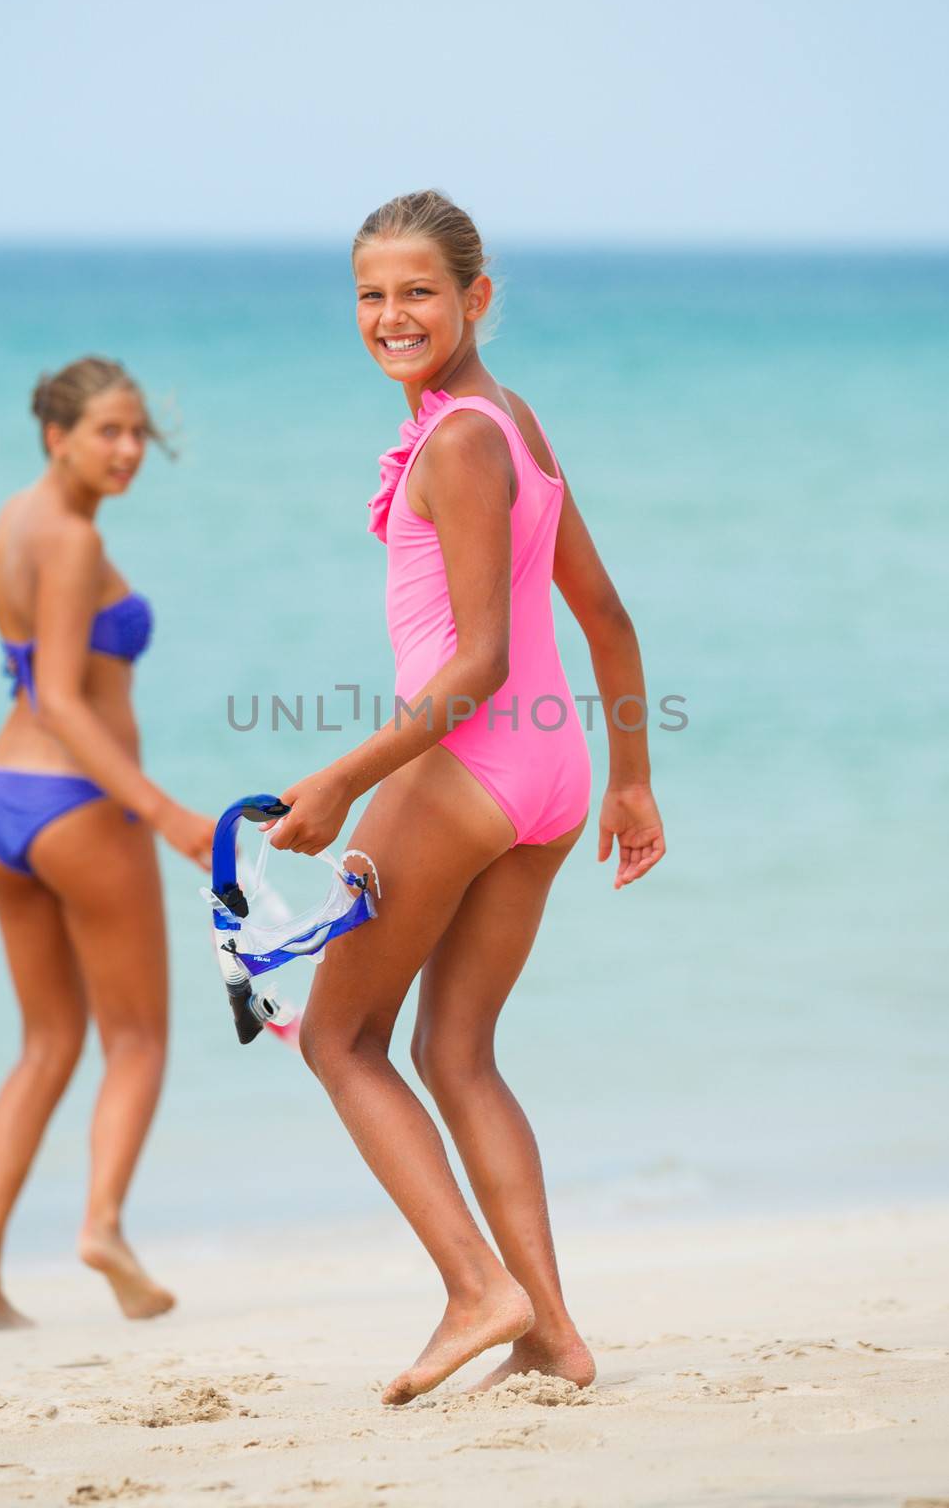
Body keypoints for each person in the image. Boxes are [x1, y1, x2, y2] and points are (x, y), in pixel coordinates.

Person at [265, 191, 666, 1403]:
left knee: (337, 1039)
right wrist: (632, 778)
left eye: (419, 293)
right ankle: (550, 1332)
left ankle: (475, 1289)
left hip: (469, 764)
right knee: (457, 1050)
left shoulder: (456, 441)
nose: (392, 315)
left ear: (475, 298)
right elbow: (603, 613)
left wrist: (340, 776)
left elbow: (481, 658)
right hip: (548, 775)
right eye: (371, 295)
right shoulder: (508, 419)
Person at [0, 356, 214, 1329]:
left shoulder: (14, 519)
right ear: (58, 436)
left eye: (137, 433)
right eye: (107, 433)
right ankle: (103, 1226)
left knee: (45, 1043)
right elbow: (66, 704)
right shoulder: (74, 539)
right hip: (82, 807)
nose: (128, 450)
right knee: (137, 1038)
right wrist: (165, 814)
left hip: (5, 804)